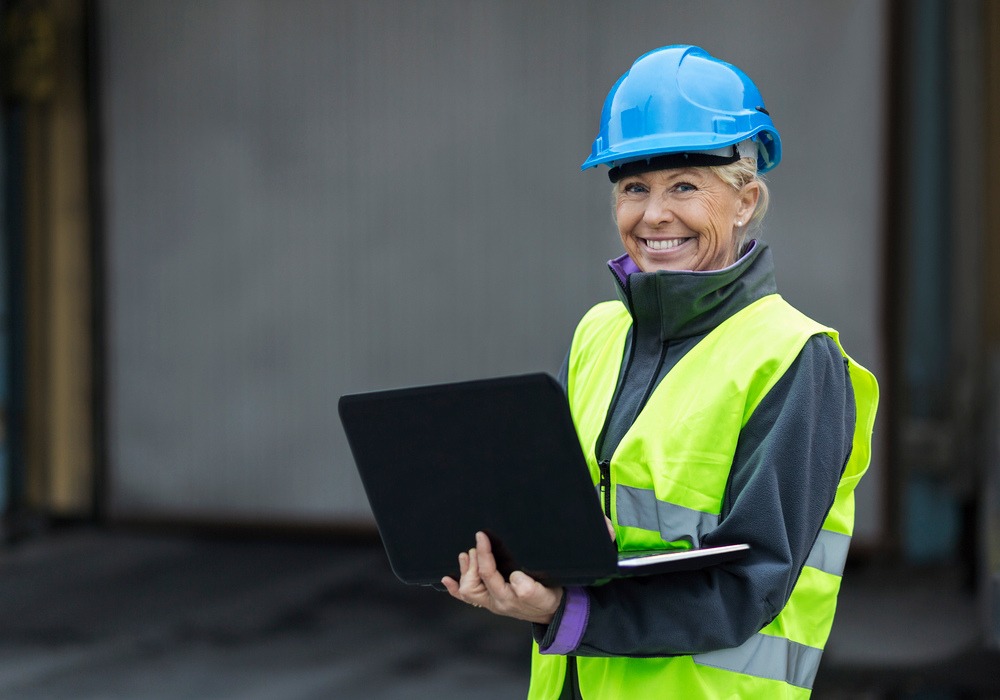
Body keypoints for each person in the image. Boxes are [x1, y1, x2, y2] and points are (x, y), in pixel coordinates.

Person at [442, 44, 878, 699]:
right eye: (633, 188)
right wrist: (508, 561)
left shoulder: (795, 357)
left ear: (745, 200)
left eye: (683, 186)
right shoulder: (600, 334)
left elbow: (747, 587)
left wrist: (565, 610)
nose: (653, 215)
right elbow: (563, 516)